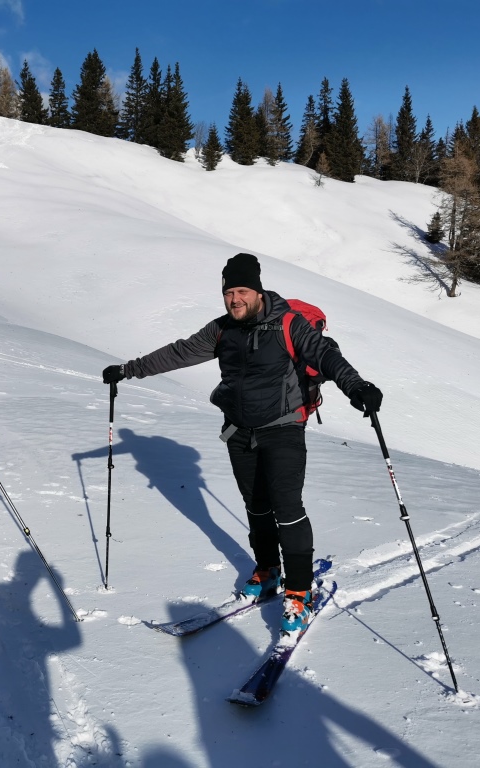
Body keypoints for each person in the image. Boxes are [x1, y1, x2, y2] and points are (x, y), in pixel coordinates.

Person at [102, 253, 382, 635]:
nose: (234, 299)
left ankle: (299, 592)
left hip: (282, 428)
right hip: (238, 431)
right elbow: (179, 352)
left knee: (287, 509)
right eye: (229, 292)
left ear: (258, 291)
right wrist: (129, 369)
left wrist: (356, 386)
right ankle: (268, 570)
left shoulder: (288, 324)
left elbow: (324, 355)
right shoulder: (222, 330)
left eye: (242, 291)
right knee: (257, 507)